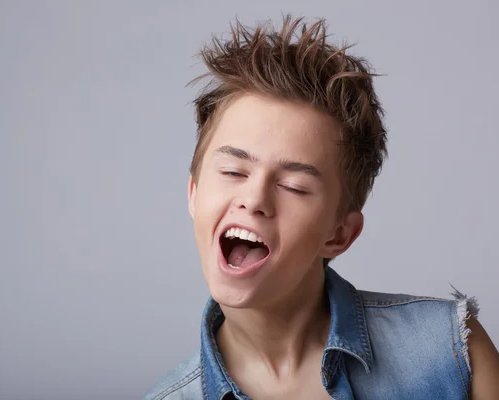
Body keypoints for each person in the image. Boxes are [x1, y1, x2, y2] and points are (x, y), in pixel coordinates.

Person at [142, 15, 499, 400]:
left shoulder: (452, 351)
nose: (255, 198)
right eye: (232, 170)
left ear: (339, 234)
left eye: (294, 186)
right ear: (194, 194)